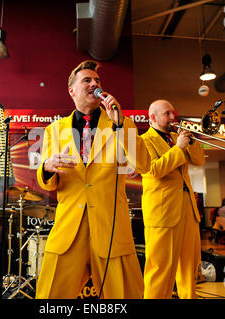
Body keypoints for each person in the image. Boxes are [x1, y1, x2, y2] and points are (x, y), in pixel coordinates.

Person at [35, 60, 150, 299]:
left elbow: (143, 165)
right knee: (50, 297)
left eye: (97, 81)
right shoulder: (53, 131)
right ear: (72, 91)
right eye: (87, 80)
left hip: (111, 230)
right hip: (69, 232)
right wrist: (47, 167)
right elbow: (47, 182)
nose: (94, 84)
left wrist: (120, 123)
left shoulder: (121, 124)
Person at [140, 99, 205, 299]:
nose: (173, 118)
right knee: (159, 269)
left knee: (189, 267)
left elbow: (199, 160)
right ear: (153, 117)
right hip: (162, 213)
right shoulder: (143, 140)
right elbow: (154, 170)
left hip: (187, 210)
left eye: (173, 113)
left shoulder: (178, 137)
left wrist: (190, 141)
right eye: (167, 114)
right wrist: (178, 149)